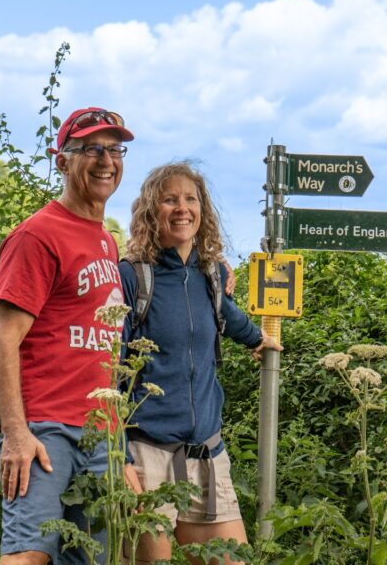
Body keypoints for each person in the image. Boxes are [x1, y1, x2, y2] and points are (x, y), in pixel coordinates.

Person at [0, 107, 142, 564]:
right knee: (28, 555)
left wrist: (120, 448)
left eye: (115, 149)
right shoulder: (36, 236)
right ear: (62, 161)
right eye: (91, 149)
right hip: (45, 433)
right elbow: (2, 341)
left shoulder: (106, 241)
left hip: (100, 437)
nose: (105, 160)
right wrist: (15, 434)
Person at [119, 161, 282, 564]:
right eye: (169, 199)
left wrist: (260, 338)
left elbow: (225, 315)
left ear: (202, 210)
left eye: (190, 199)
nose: (182, 208)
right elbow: (108, 374)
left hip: (206, 454)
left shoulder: (209, 275)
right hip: (145, 457)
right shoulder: (133, 278)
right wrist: (120, 459)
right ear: (149, 211)